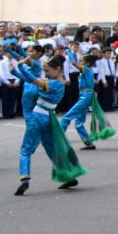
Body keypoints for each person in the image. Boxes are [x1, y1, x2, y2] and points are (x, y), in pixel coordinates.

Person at [14, 53, 86, 195]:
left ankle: (25, 180)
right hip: (49, 118)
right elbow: (30, 79)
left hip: (37, 117)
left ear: (58, 69)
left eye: (47, 71)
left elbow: (32, 79)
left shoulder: (52, 83)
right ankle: (69, 176)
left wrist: (20, 66)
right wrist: (14, 71)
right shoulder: (60, 82)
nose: (45, 74)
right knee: (51, 149)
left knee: (26, 150)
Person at [58, 52, 100, 151]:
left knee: (67, 117)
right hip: (84, 95)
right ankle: (89, 143)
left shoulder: (87, 70)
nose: (79, 62)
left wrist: (69, 52)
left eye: (81, 61)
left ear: (88, 63)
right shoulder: (85, 71)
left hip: (85, 96)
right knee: (79, 122)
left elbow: (73, 63)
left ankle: (58, 139)